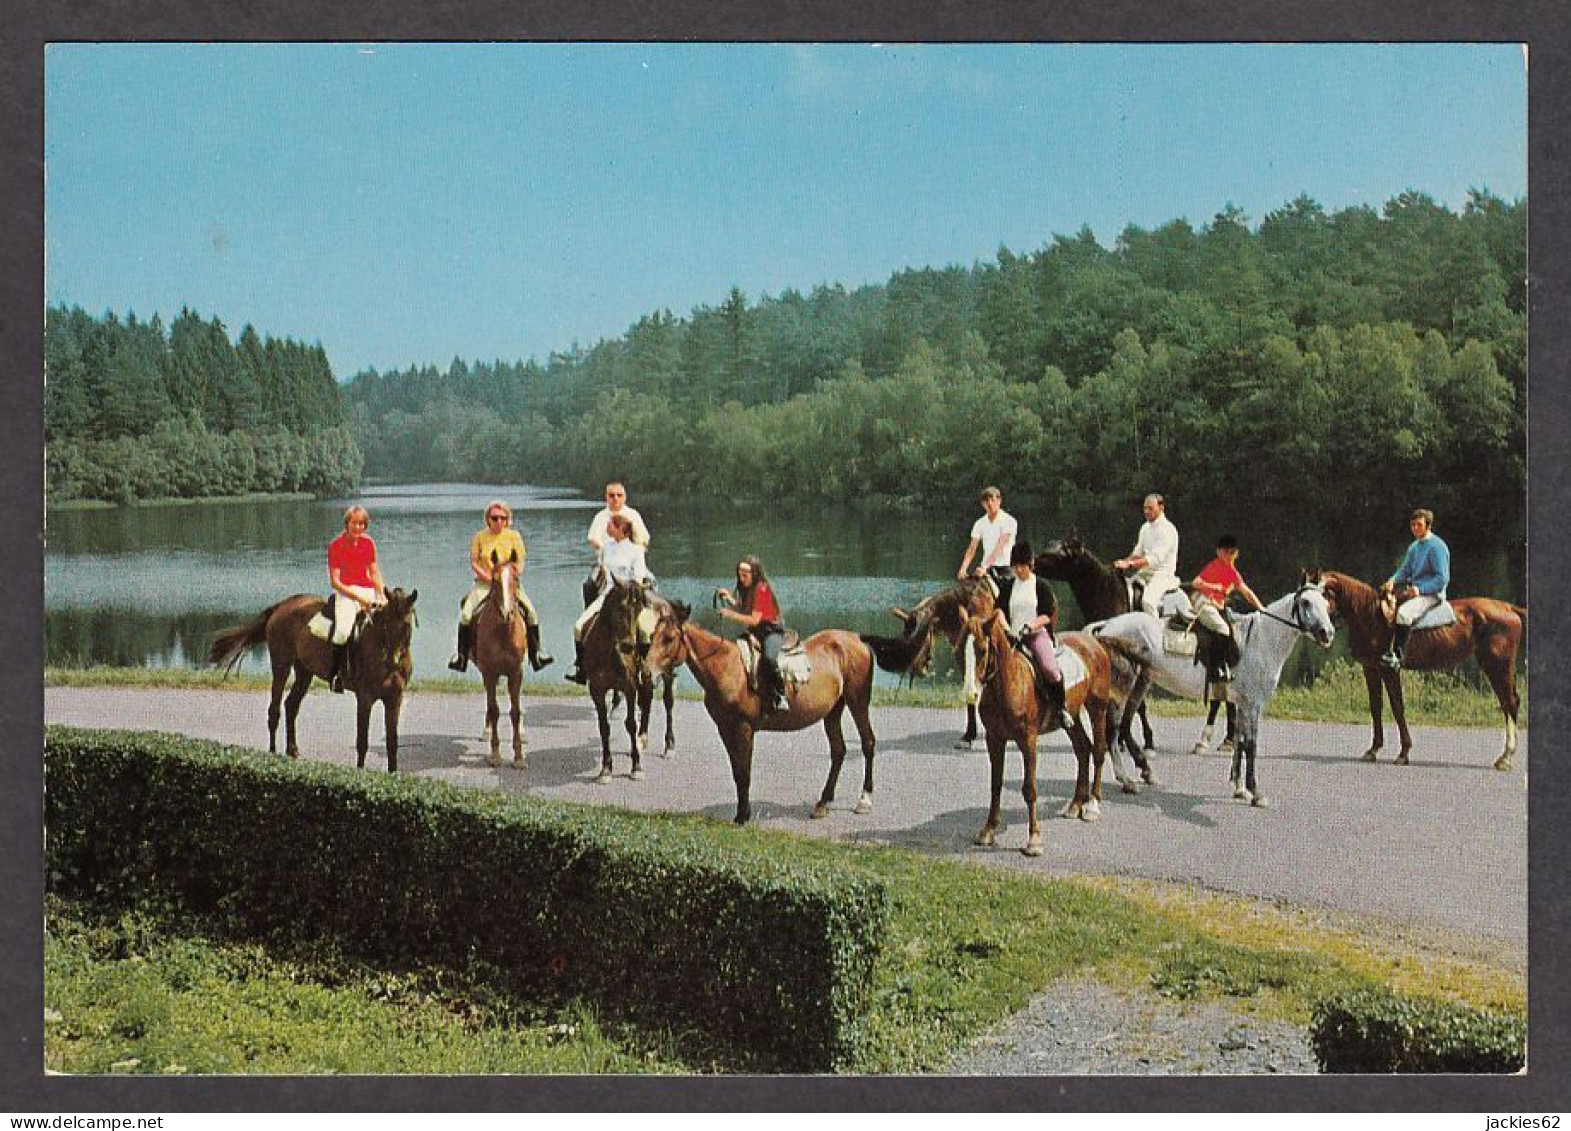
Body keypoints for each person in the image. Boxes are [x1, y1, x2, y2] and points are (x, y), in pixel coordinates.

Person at [447, 500, 552, 674]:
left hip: (509, 585)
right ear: (488, 519)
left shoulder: (514, 537)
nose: (499, 522)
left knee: (532, 613)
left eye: (503, 518)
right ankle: (461, 656)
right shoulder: (479, 537)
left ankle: (536, 654)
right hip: (485, 585)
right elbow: (474, 562)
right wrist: (486, 576)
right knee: (466, 614)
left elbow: (520, 561)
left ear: (507, 519)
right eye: (494, 518)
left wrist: (514, 573)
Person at [995, 542, 1075, 732]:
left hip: (1035, 634)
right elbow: (999, 610)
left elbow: (1046, 615)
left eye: (1022, 566)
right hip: (1012, 635)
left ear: (1030, 564)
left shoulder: (1040, 586)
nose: (1018, 570)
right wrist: (1007, 629)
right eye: (1015, 567)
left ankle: (1061, 707)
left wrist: (1028, 627)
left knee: (1049, 669)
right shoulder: (1008, 586)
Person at [565, 513, 654, 684]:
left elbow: (638, 578)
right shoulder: (606, 548)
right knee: (578, 627)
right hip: (607, 596)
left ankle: (645, 669)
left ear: (621, 529)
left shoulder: (636, 551)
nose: (607, 528)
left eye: (610, 525)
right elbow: (601, 572)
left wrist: (625, 588)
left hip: (630, 599)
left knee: (643, 630)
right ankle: (581, 668)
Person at [326, 504, 387, 693]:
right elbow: (335, 582)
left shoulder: (369, 543)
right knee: (343, 632)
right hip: (346, 592)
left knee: (389, 623)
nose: (358, 527)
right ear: (347, 524)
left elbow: (374, 573)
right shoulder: (336, 545)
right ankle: (336, 675)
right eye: (354, 523)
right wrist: (358, 598)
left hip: (367, 590)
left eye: (362, 524)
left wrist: (381, 594)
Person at [1189, 534, 1265, 685]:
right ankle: (1215, 669)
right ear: (1218, 552)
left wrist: (1262, 609)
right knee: (1223, 629)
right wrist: (1213, 586)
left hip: (1219, 608)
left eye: (1232, 552)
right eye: (1226, 552)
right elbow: (1195, 583)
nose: (1229, 556)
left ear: (1236, 554)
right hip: (1205, 604)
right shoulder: (1214, 566)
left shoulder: (1233, 574)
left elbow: (1247, 593)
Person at [716, 555, 788, 714]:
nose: (741, 579)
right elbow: (745, 609)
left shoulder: (761, 589)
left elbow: (754, 619)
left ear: (754, 574)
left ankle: (781, 694)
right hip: (756, 632)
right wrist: (729, 599)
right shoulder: (748, 589)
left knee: (769, 658)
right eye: (739, 575)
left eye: (745, 575)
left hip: (771, 632)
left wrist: (729, 614)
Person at [1380, 508, 1450, 669]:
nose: (1415, 529)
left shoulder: (1437, 547)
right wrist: (1392, 580)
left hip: (1432, 594)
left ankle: (1397, 656)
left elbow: (1442, 578)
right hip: (1415, 592)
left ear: (1428, 526)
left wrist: (1420, 589)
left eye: (1419, 525)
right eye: (1412, 525)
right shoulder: (1414, 547)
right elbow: (1405, 570)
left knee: (1404, 614)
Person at [1114, 493, 1181, 616]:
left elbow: (1154, 559)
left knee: (1148, 602)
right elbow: (1137, 552)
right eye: (1145, 508)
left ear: (1161, 508)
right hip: (1145, 573)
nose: (1146, 511)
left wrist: (1129, 564)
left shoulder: (1168, 530)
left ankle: (1156, 633)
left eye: (1150, 508)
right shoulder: (1145, 528)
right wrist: (1123, 561)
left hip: (1162, 575)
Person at [584, 481, 651, 603]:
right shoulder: (600, 517)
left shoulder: (633, 515)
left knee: (651, 582)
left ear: (624, 497)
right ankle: (590, 613)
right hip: (606, 563)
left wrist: (634, 549)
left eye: (619, 495)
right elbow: (592, 538)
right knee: (588, 585)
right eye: (612, 495)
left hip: (631, 561)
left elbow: (644, 538)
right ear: (606, 497)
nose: (615, 499)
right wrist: (606, 549)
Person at [957, 486, 1018, 592]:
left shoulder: (1009, 521)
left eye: (992, 500)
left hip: (1005, 568)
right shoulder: (980, 523)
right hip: (986, 569)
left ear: (999, 501)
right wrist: (963, 568)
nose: (989, 504)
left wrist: (985, 567)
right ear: (982, 504)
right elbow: (972, 548)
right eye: (986, 501)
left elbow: (1000, 546)